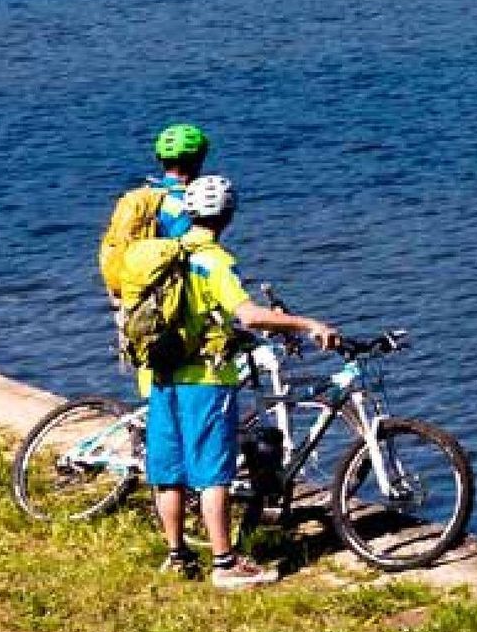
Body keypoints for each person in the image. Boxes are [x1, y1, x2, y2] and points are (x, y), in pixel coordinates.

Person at [147, 173, 341, 591]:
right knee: (213, 473)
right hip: (206, 378)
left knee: (169, 471)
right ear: (228, 215)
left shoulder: (170, 252)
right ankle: (224, 564)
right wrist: (307, 324)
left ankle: (177, 556)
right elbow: (248, 314)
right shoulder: (214, 261)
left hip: (163, 374)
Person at [98, 122, 210, 299]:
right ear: (199, 160)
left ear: (160, 159)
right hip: (167, 301)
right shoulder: (188, 203)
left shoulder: (144, 196)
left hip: (131, 297)